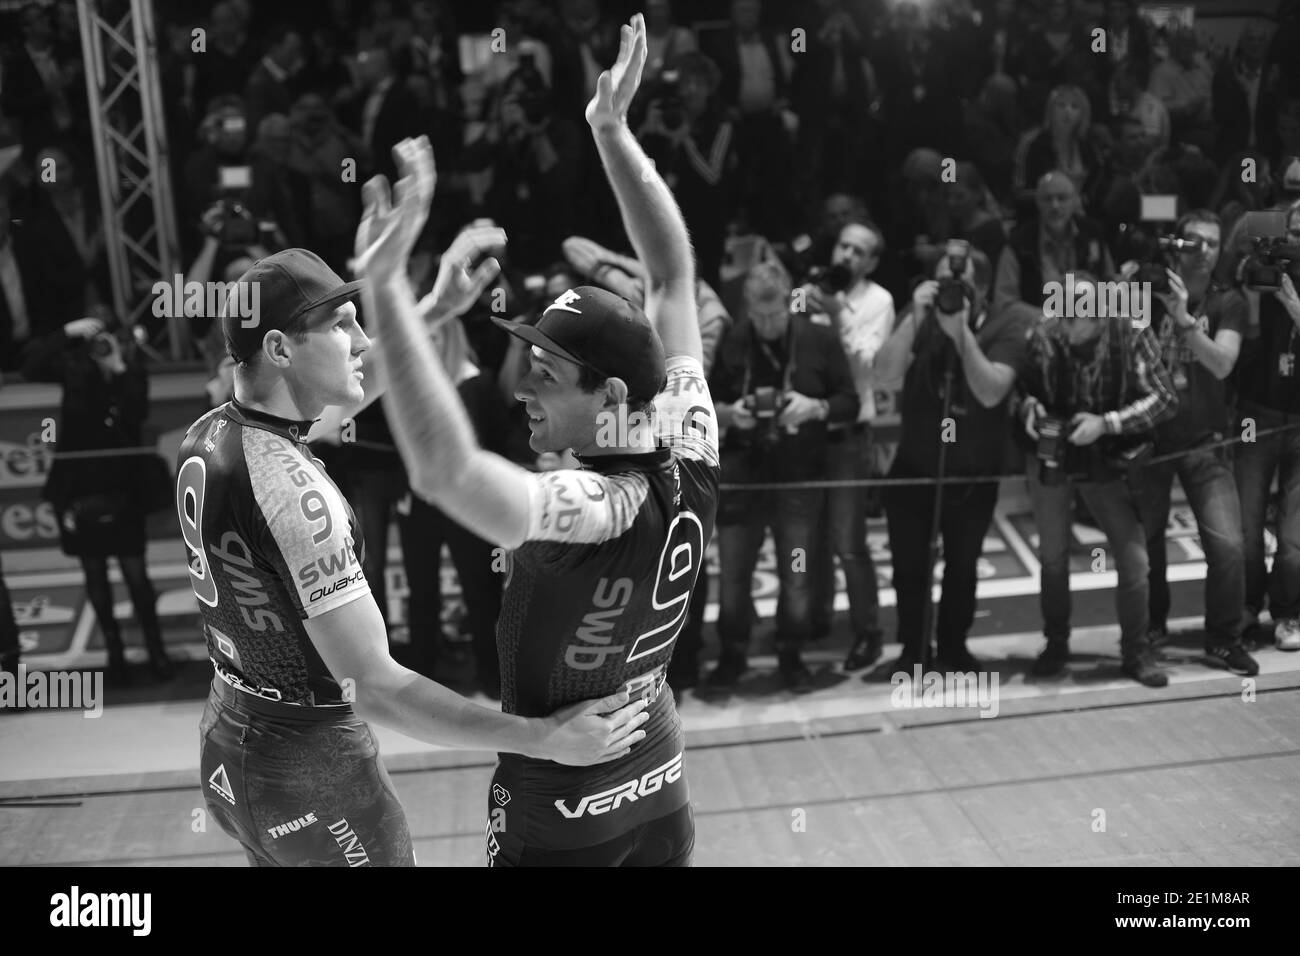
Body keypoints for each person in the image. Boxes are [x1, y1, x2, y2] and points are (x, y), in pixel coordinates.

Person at [366, 15, 718, 866]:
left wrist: (386, 286)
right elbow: (672, 274)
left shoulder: (598, 505)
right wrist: (611, 130)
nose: (521, 388)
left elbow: (448, 472)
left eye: (547, 377)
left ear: (613, 395)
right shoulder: (690, 429)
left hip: (565, 804)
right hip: (657, 777)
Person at [176, 243, 650, 868]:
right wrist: (541, 739)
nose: (365, 341)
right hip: (312, 768)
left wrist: (427, 311)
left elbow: (332, 405)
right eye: (341, 326)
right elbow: (374, 689)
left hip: (230, 743)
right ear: (280, 349)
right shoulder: (296, 496)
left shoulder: (214, 431)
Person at [1015, 273, 1178, 686]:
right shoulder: (1044, 332)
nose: (1066, 325)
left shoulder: (1132, 330)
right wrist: (1030, 409)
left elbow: (1165, 398)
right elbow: (1021, 389)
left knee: (1134, 559)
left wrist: (1108, 424)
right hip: (1054, 450)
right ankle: (1055, 643)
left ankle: (1136, 652)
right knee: (1052, 556)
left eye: (1077, 315)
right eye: (1063, 312)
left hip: (1105, 450)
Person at [873, 244, 1028, 674]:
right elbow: (882, 374)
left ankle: (955, 647)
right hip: (913, 470)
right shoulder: (921, 313)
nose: (950, 291)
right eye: (943, 281)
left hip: (973, 474)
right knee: (909, 567)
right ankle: (914, 649)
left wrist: (961, 333)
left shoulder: (1007, 323)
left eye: (959, 283)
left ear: (981, 287)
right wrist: (915, 320)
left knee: (962, 566)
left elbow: (992, 390)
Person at [23, 312, 173, 686]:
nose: (102, 347)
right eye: (97, 341)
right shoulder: (73, 370)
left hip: (123, 486)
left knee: (136, 574)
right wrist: (66, 330)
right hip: (79, 487)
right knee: (94, 572)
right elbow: (29, 365)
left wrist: (120, 368)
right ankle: (115, 652)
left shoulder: (130, 371)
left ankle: (156, 650)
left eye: (109, 339)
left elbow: (136, 414)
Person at [1140, 210, 1258, 676]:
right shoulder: (1144, 291)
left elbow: (1224, 363)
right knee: (1145, 546)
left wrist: (1184, 319)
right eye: (1194, 241)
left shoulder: (1228, 301)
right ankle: (1150, 630)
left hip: (1204, 439)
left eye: (1212, 243)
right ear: (1176, 245)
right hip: (1147, 439)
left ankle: (1223, 639)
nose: (1205, 250)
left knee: (1229, 545)